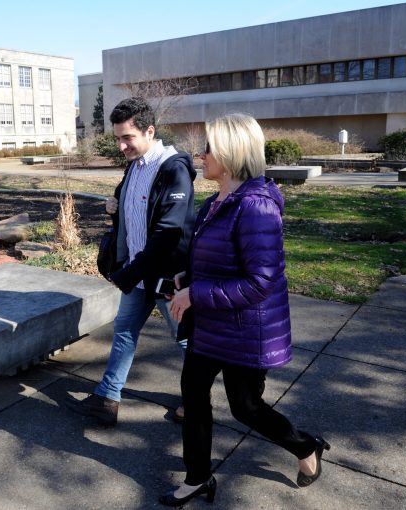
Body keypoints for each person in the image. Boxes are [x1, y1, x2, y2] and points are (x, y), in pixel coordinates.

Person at [158, 114, 330, 507]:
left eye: (208, 149)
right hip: (211, 324)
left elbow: (260, 281)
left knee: (246, 408)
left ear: (232, 154)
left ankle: (306, 446)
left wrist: (196, 294)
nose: (200, 156)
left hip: (247, 329)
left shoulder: (255, 207)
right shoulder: (215, 202)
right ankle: (197, 477)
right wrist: (188, 275)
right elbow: (218, 260)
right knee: (194, 393)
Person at [66, 97, 196, 426]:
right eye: (118, 138)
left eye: (128, 137)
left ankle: (197, 401)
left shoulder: (173, 169)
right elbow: (136, 208)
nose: (122, 145)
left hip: (169, 277)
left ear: (149, 131)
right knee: (124, 332)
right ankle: (108, 398)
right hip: (137, 274)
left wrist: (127, 274)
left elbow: (168, 232)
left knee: (185, 340)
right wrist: (116, 205)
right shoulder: (134, 166)